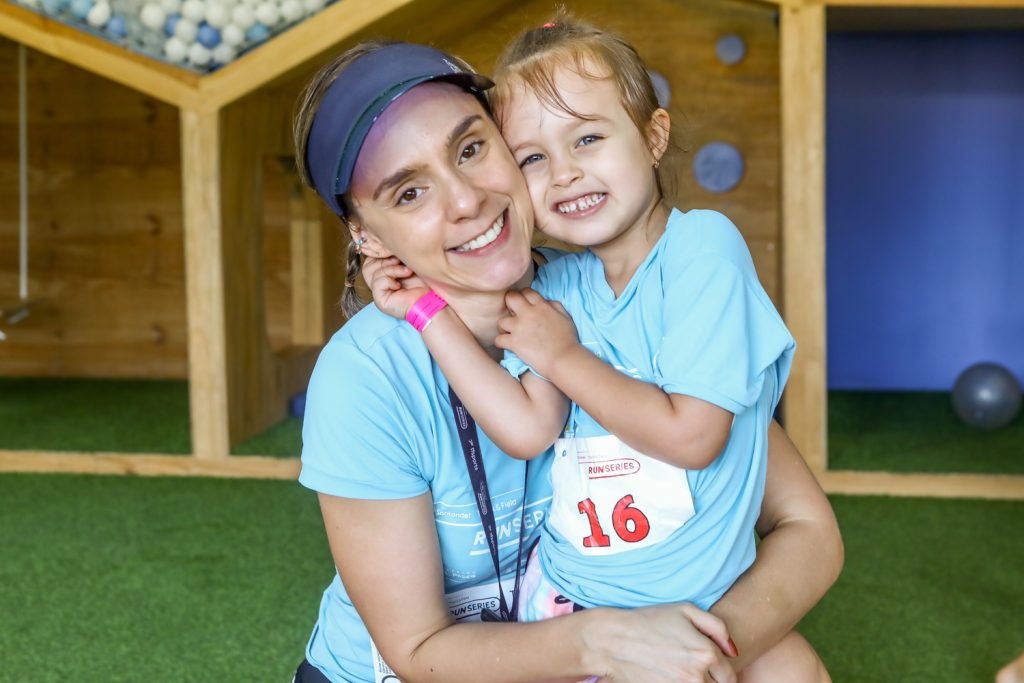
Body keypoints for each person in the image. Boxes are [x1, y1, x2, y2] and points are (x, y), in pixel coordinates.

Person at [292, 39, 842, 683]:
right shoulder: (366, 379)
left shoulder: (613, 292)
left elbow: (805, 527)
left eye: (471, 150)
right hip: (420, 670)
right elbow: (417, 653)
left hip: (569, 629)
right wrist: (607, 645)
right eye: (409, 193)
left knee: (787, 667)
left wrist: (701, 656)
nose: (465, 201)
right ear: (366, 233)